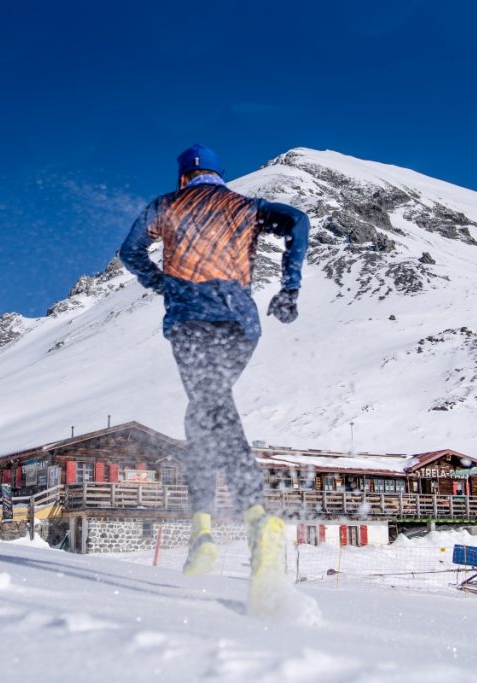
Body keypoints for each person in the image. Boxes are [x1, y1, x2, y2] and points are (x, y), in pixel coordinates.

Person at [119, 144, 309, 587]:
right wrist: (290, 287)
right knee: (204, 410)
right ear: (221, 176)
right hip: (241, 324)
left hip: (191, 324)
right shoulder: (245, 206)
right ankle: (206, 529)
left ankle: (252, 518)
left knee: (210, 405)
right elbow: (297, 221)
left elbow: (130, 252)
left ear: (184, 176)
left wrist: (160, 283)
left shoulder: (165, 206)